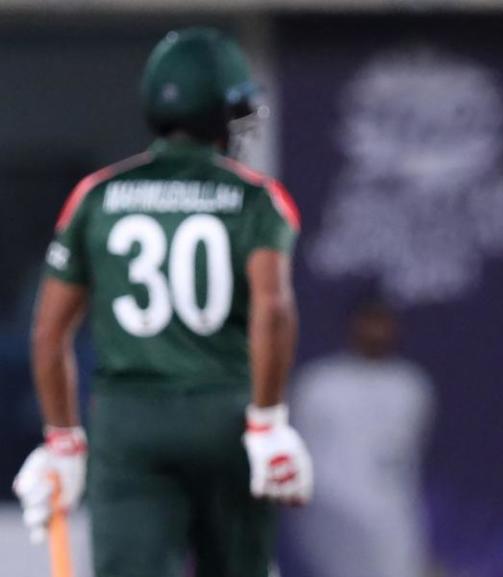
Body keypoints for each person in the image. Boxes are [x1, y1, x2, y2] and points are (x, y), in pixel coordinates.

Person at [12, 27, 313, 577]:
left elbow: (49, 332)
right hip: (226, 409)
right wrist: (268, 421)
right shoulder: (254, 197)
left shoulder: (98, 195)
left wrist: (62, 440)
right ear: (219, 111)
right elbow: (273, 309)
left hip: (129, 422)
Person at [283, 300, 435, 577]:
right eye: (369, 323)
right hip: (331, 509)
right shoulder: (320, 382)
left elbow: (411, 449)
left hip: (393, 512)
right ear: (353, 326)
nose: (376, 332)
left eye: (383, 324)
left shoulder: (410, 384)